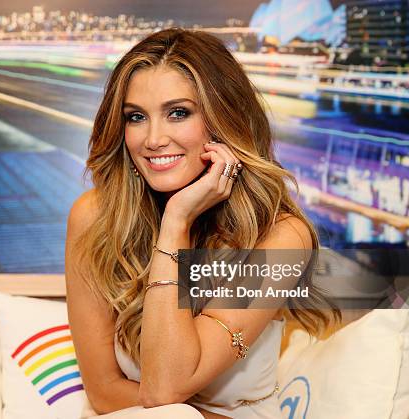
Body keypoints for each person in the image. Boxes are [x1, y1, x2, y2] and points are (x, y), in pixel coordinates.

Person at [65, 28, 340, 419]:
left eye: (178, 113)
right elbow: (105, 392)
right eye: (136, 117)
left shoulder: (281, 237)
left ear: (221, 120)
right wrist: (177, 220)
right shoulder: (94, 217)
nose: (153, 139)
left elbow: (165, 387)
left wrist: (175, 221)